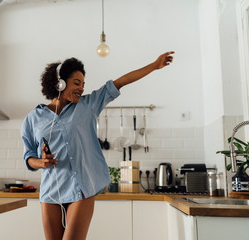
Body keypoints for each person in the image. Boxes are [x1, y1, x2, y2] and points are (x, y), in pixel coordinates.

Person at [21, 51, 174, 240]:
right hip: (50, 191)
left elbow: (119, 82)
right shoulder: (33, 119)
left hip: (82, 188)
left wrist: (154, 65)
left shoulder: (88, 105)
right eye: (76, 83)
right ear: (60, 83)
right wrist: (41, 161)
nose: (81, 89)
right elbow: (28, 156)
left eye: (83, 84)